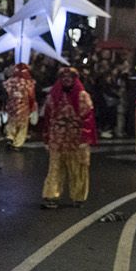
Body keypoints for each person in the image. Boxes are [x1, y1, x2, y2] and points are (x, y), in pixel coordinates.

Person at [41, 66, 95, 209]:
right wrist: (46, 138)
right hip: (57, 137)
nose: (66, 80)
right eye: (63, 77)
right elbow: (47, 118)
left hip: (76, 137)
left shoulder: (82, 96)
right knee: (55, 167)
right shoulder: (53, 96)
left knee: (78, 168)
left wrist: (85, 138)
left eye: (69, 77)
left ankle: (78, 196)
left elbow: (88, 118)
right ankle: (51, 195)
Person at [3, 63, 37, 149]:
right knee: (23, 125)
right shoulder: (29, 82)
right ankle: (17, 143)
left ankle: (10, 137)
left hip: (11, 105)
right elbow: (31, 95)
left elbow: (5, 92)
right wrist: (32, 106)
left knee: (11, 121)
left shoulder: (10, 81)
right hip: (24, 106)